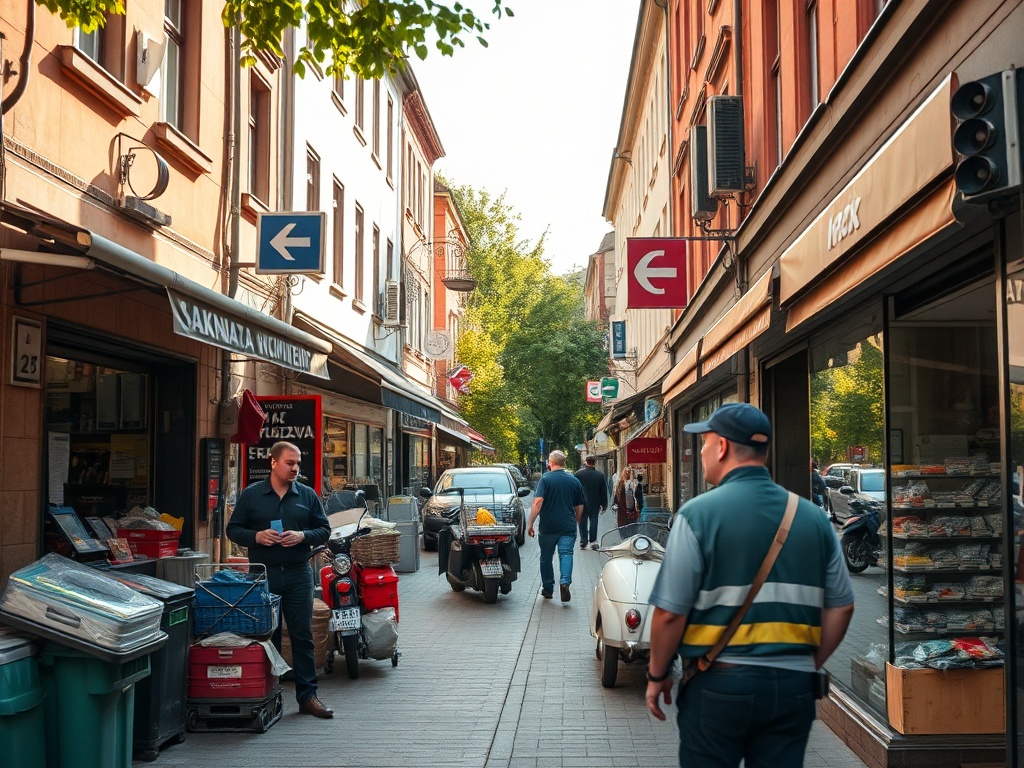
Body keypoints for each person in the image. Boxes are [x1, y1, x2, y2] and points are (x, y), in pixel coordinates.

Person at [644, 403, 854, 767]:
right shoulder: (813, 518)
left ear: (723, 447)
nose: (703, 451)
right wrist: (805, 663)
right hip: (792, 690)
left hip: (718, 685)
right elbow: (843, 605)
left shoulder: (697, 515)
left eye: (706, 442)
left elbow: (668, 614)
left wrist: (657, 673)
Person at [226, 441, 334, 719]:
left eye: (298, 463)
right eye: (290, 463)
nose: (296, 468)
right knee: (265, 636)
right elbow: (233, 529)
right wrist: (256, 536)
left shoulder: (307, 495)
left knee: (302, 636)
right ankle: (265, 695)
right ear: (273, 463)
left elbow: (324, 530)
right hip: (263, 576)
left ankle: (308, 697)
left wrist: (303, 536)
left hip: (299, 573)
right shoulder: (252, 495)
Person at [527, 450, 585, 602]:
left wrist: (531, 523)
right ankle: (565, 583)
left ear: (550, 463)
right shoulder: (574, 481)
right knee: (566, 554)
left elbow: (538, 503)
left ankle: (548, 589)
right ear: (563, 463)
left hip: (548, 526)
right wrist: (577, 520)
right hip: (567, 525)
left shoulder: (545, 479)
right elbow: (580, 505)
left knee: (546, 558)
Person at [574, 455, 608, 550]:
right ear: (595, 462)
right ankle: (593, 542)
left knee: (582, 521)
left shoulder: (578, 475)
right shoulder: (600, 476)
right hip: (595, 503)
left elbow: (574, 490)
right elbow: (603, 492)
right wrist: (604, 504)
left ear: (586, 462)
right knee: (594, 521)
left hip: (581, 503)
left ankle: (583, 541)